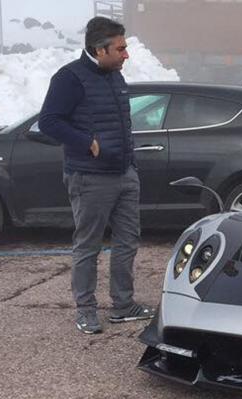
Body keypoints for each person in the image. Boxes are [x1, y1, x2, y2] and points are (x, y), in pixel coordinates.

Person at [39, 17, 154, 335]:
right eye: (121, 48)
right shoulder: (69, 78)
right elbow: (49, 121)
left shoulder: (115, 76)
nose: (126, 54)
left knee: (127, 241)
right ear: (100, 49)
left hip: (124, 173)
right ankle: (86, 310)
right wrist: (86, 143)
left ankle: (123, 305)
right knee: (88, 245)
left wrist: (130, 163)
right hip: (90, 177)